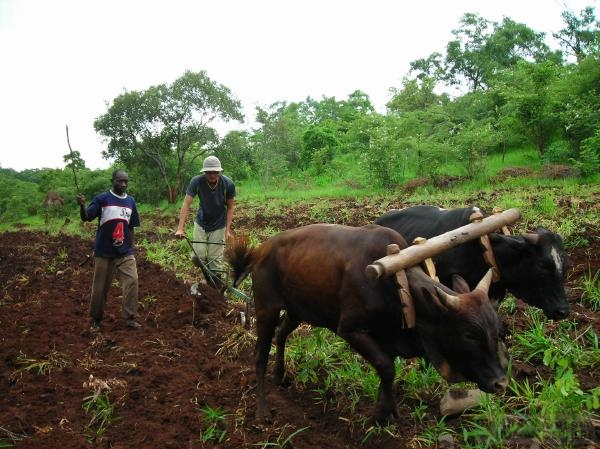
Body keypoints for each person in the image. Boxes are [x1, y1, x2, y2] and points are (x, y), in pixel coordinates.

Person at [77, 169, 142, 333]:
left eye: (126, 181)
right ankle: (96, 320)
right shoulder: (102, 199)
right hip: (104, 251)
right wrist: (82, 205)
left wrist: (130, 247)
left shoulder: (131, 202)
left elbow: (131, 227)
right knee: (100, 288)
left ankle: (129, 318)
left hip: (125, 252)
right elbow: (86, 217)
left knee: (132, 281)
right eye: (120, 181)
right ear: (112, 181)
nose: (124, 184)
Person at [175, 155, 236, 282]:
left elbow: (230, 207)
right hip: (201, 223)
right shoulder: (196, 182)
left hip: (219, 225)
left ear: (219, 171)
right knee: (197, 258)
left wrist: (227, 230)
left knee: (215, 261)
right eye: (209, 172)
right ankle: (206, 272)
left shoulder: (228, 184)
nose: (212, 175)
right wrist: (180, 228)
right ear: (204, 172)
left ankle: (215, 285)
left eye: (215, 172)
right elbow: (186, 204)